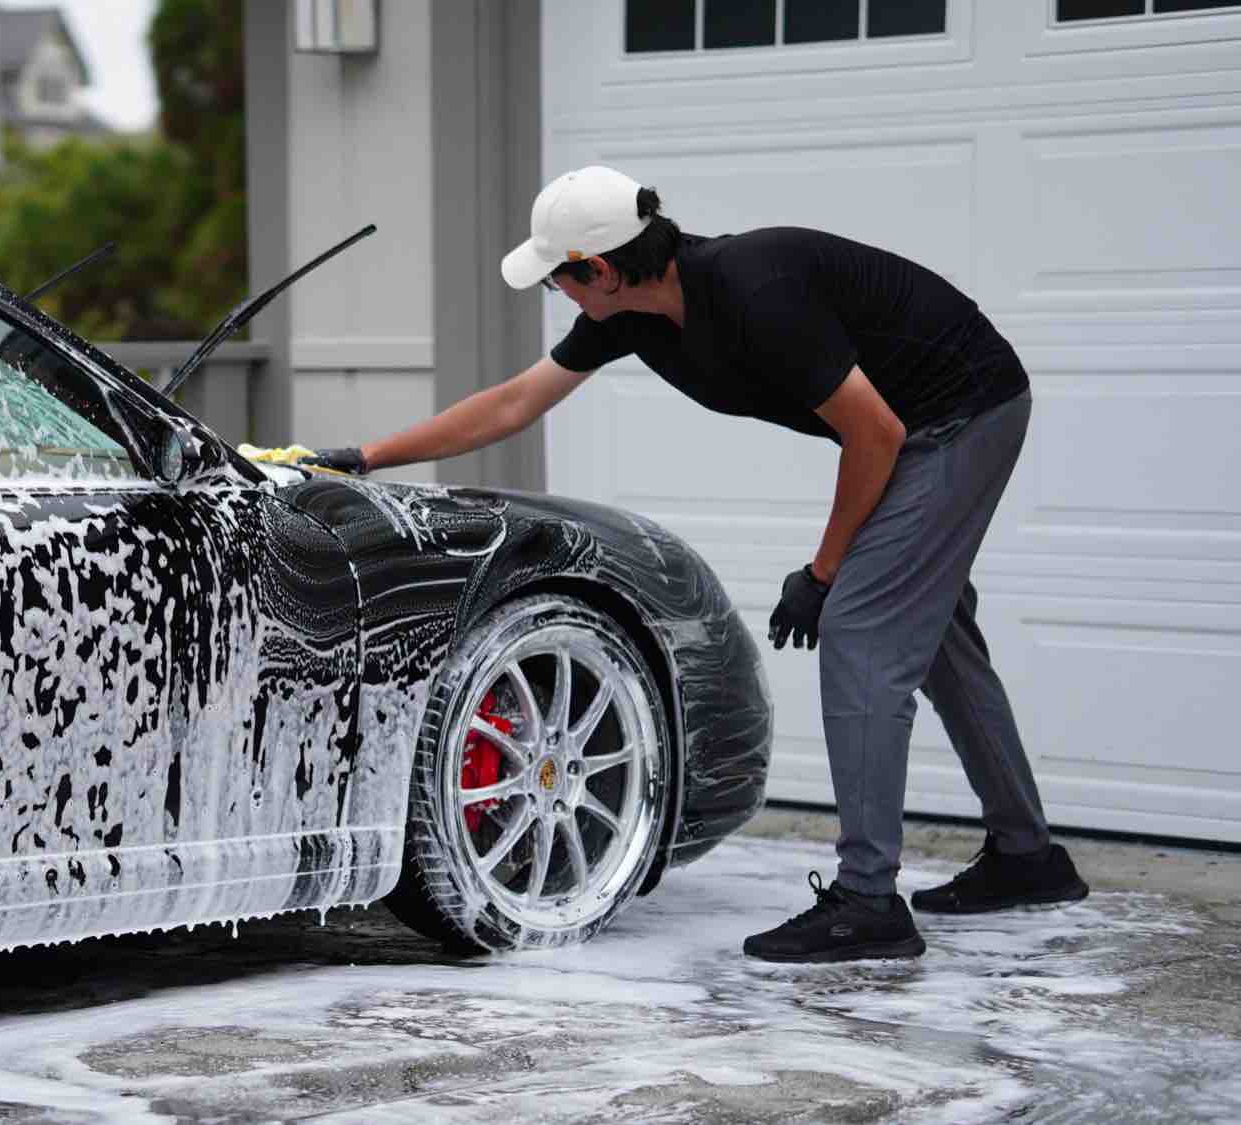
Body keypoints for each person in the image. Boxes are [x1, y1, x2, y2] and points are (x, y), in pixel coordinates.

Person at [302, 165, 1089, 963]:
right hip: (915, 423)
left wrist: (821, 574)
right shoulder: (632, 317)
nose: (559, 295)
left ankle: (867, 902)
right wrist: (363, 458)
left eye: (559, 279)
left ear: (600, 270)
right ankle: (1027, 857)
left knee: (860, 629)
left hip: (961, 411)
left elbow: (875, 433)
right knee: (935, 632)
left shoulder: (755, 290)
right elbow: (514, 403)